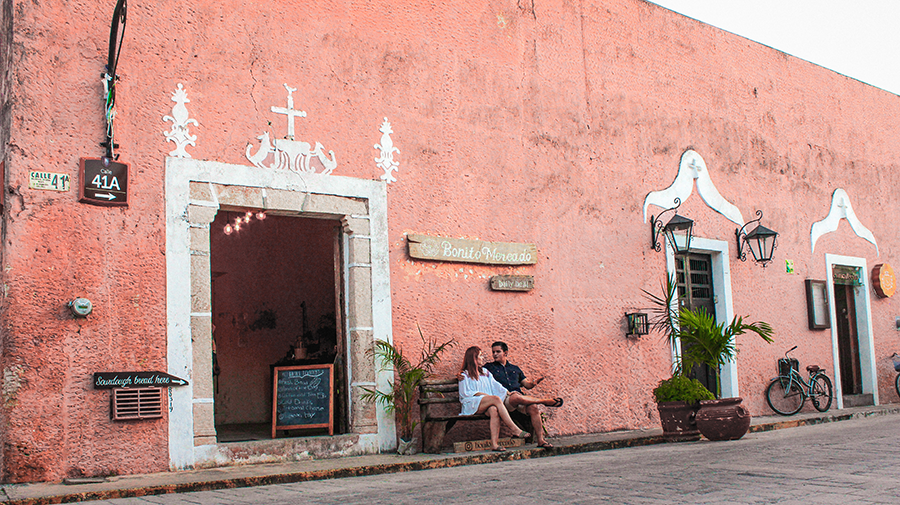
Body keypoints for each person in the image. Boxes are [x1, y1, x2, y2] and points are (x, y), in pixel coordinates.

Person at [484, 341, 563, 449]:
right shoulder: (489, 368)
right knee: (515, 397)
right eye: (493, 352)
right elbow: (474, 372)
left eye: (498, 351)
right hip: (503, 400)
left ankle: (541, 440)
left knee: (533, 408)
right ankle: (544, 401)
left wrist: (533, 383)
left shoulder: (515, 369)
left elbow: (527, 385)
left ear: (505, 353)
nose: (495, 354)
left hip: (519, 399)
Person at [458, 346, 529, 452]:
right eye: (480, 356)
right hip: (471, 403)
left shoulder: (485, 372)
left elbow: (496, 386)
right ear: (474, 358)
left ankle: (494, 444)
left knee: (494, 410)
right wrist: (485, 396)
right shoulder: (464, 375)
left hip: (486, 402)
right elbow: (465, 394)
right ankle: (514, 429)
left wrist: (509, 393)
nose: (482, 358)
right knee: (495, 399)